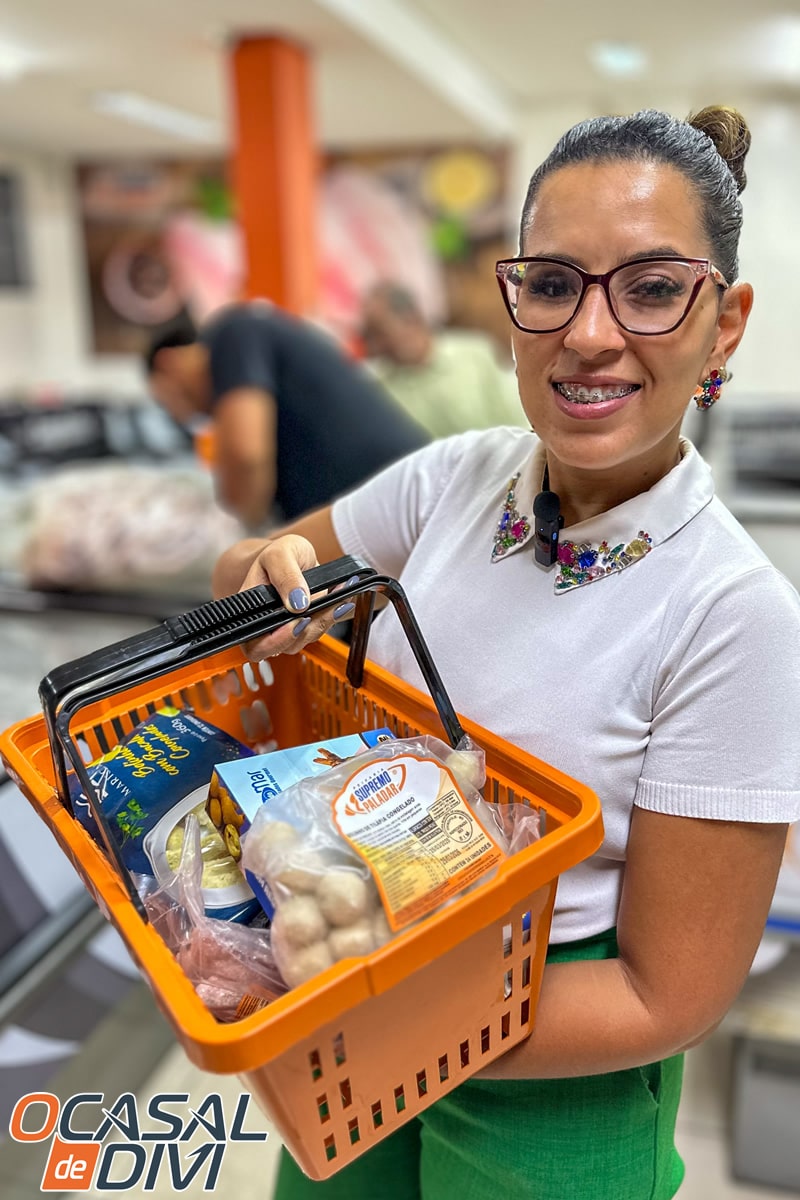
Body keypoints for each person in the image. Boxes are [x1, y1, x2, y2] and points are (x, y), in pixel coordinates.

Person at [212, 106, 800, 1200]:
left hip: (553, 1048)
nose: (587, 332)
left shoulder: (733, 615)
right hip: (348, 976)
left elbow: (664, 998)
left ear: (724, 326)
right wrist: (268, 576)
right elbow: (268, 560)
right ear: (514, 303)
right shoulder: (458, 478)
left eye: (652, 287)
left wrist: (365, 998)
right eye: (551, 284)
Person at [144, 302, 430, 530]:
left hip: (409, 505)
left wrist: (238, 534)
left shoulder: (233, 332)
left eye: (165, 400)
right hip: (389, 513)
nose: (181, 416)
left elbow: (247, 457)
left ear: (167, 365)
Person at [361, 282, 521, 437]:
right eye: (369, 336)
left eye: (379, 333)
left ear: (411, 319)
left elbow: (515, 422)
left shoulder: (474, 356)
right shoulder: (380, 392)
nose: (375, 346)